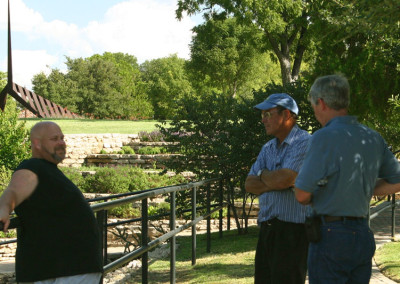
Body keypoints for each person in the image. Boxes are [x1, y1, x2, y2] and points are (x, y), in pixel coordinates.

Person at [295, 74, 400, 284]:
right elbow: (397, 181)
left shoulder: (323, 137)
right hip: (362, 233)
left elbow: (301, 194)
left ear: (321, 103)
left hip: (330, 235)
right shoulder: (371, 137)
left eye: (314, 105)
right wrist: (359, 189)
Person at [0, 121, 103, 283]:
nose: (61, 142)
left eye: (62, 137)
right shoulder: (33, 166)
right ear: (37, 143)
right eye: (54, 138)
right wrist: (4, 210)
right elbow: (13, 191)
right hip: (63, 270)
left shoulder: (48, 171)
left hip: (66, 269)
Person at [245, 93, 311, 284]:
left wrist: (263, 174)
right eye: (262, 115)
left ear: (288, 115)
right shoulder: (268, 148)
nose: (264, 120)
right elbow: (249, 184)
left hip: (293, 232)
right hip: (267, 228)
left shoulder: (304, 142)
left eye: (268, 114)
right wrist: (273, 180)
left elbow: (285, 179)